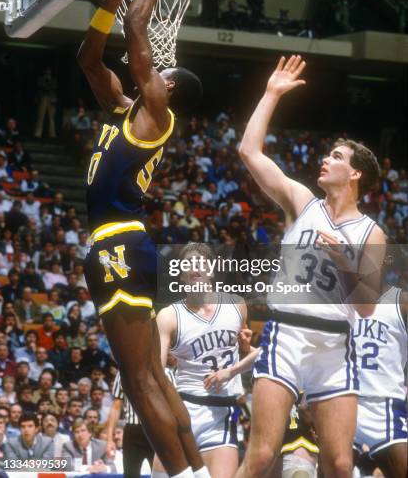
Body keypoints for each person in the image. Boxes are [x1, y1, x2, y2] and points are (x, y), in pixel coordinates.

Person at [77, 0, 208, 478]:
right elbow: (89, 58)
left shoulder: (157, 113)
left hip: (118, 244)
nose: (153, 67)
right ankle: (198, 471)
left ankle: (181, 474)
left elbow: (138, 25)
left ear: (168, 89)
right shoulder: (122, 110)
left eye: (162, 71)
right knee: (151, 376)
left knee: (138, 381)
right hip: (127, 247)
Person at [236, 54, 385, 477]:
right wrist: (270, 94)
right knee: (263, 455)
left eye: (335, 156)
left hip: (335, 346)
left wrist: (344, 261)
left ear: (355, 174)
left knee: (339, 463)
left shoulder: (371, 232)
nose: (325, 159)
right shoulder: (303, 202)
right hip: (286, 332)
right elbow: (249, 151)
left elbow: (367, 307)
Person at [155, 244, 252, 478]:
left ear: (210, 271)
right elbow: (157, 374)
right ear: (180, 276)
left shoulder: (236, 305)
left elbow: (248, 351)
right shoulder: (168, 316)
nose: (193, 268)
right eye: (186, 265)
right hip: (182, 409)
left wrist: (233, 369)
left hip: (221, 414)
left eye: (199, 263)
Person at [353, 283, 407, 478]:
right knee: (331, 471)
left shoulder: (401, 301)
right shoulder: (340, 296)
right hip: (344, 399)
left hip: (385, 406)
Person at [107, 369, 153, 478]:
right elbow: (116, 407)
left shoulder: (163, 370)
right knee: (130, 475)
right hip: (132, 430)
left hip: (157, 430)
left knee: (161, 475)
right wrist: (109, 439)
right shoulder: (123, 372)